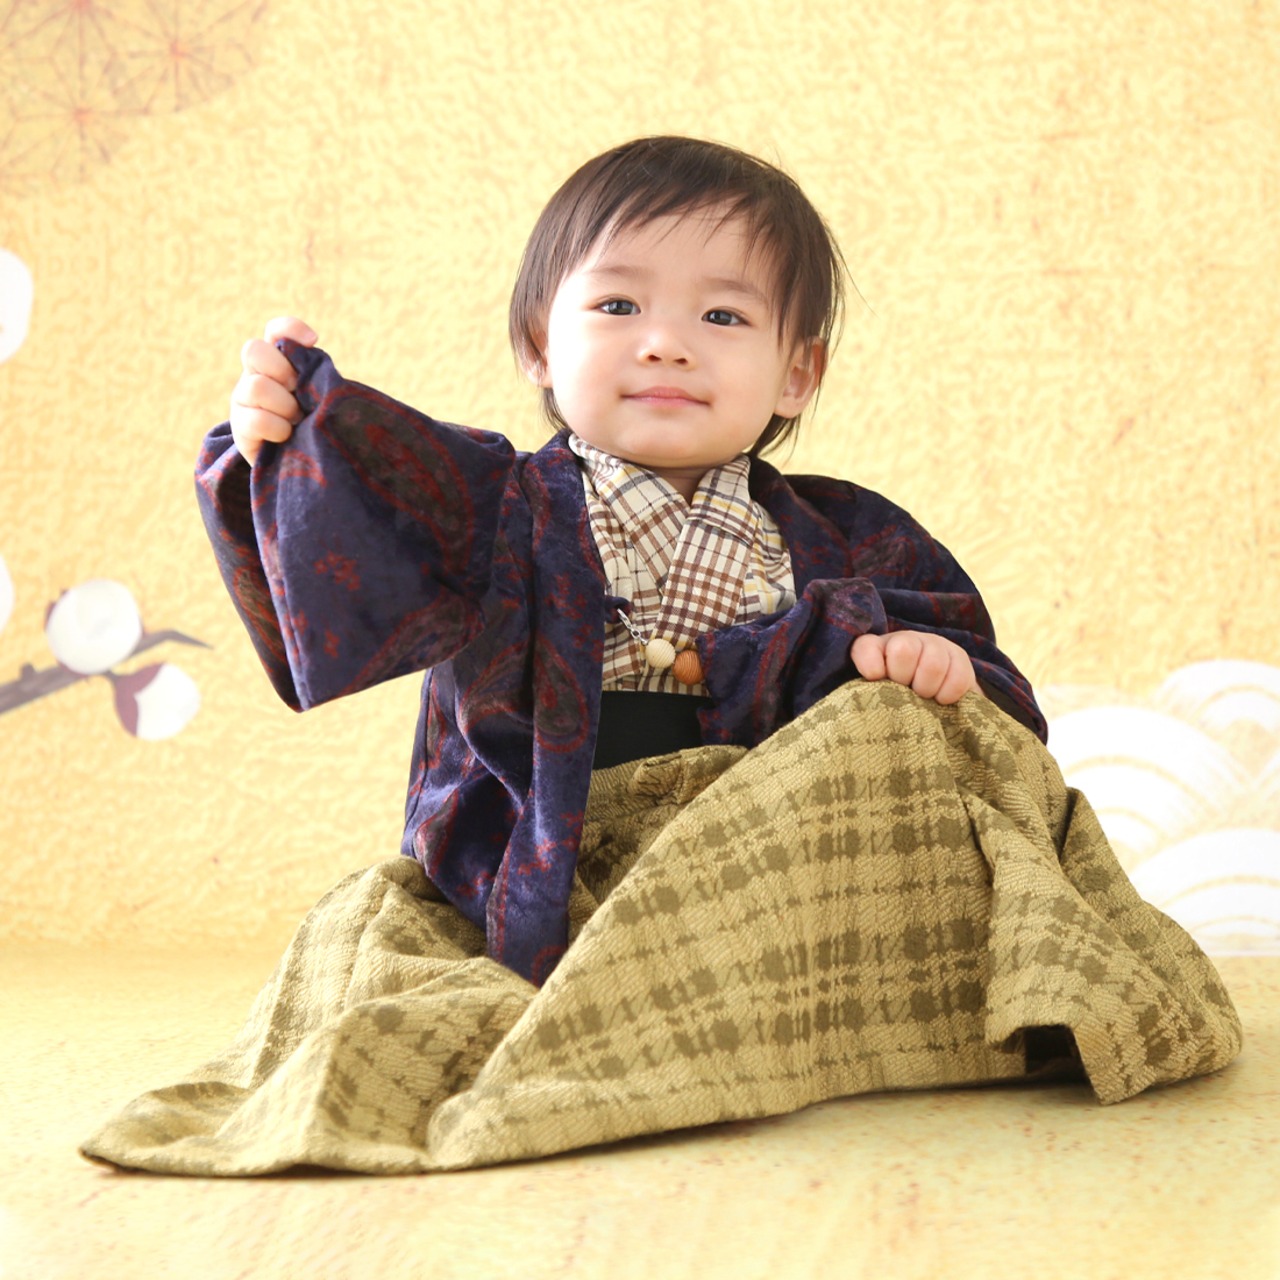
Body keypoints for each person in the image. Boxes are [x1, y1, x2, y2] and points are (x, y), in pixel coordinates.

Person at [80, 137, 1240, 1177]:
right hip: (562, 848)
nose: (666, 342)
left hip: (764, 861)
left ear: (796, 372)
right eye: (618, 303)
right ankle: (613, 1006)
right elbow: (360, 513)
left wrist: (922, 661)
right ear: (540, 345)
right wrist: (282, 438)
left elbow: (977, 679)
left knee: (900, 726)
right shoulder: (495, 506)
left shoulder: (845, 530)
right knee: (376, 937)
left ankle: (805, 991)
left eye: (723, 317)